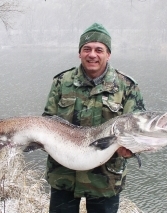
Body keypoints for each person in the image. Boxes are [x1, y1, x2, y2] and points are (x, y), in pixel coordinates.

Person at [42, 23, 145, 213]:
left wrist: (131, 150)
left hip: (105, 180)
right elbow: (47, 120)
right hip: (63, 174)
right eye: (87, 49)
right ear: (79, 53)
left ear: (108, 54)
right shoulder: (61, 82)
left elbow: (138, 129)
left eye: (99, 50)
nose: (92, 54)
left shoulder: (127, 87)